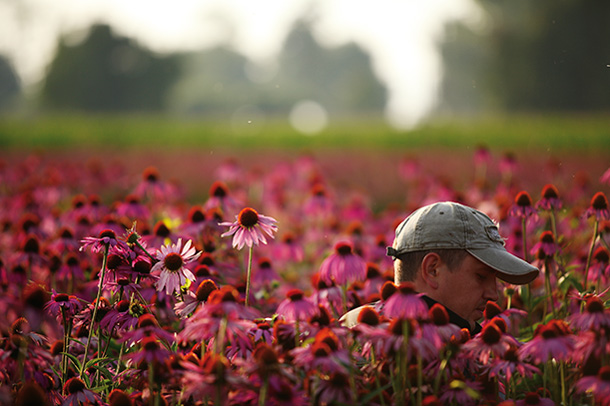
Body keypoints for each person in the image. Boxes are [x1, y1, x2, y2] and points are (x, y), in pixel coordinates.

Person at [340, 201, 539, 334]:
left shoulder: (347, 329)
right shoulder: (376, 342)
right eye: (481, 276)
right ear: (433, 270)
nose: (493, 294)